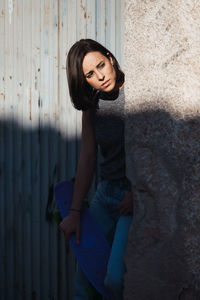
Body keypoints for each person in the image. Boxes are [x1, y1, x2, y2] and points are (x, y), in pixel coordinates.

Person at [59, 39, 133, 300]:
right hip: (106, 195)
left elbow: (155, 153)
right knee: (85, 280)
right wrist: (75, 212)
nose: (100, 76)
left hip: (130, 199)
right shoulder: (92, 108)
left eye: (101, 65)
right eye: (90, 74)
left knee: (114, 280)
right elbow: (87, 158)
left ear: (110, 58)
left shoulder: (137, 96)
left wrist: (139, 193)